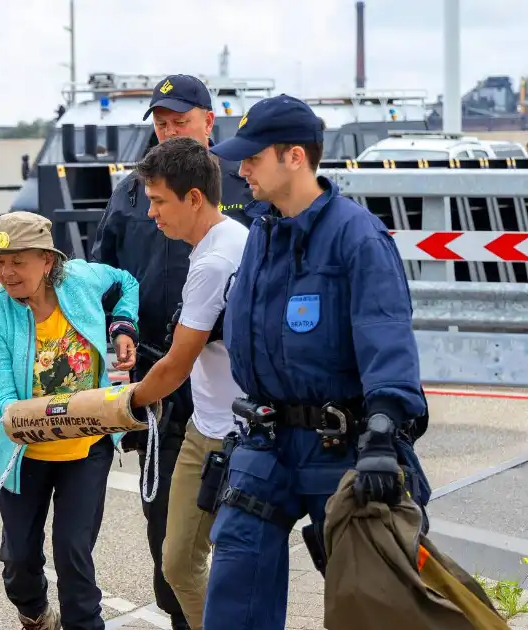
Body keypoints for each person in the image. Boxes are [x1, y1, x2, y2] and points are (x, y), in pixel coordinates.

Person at [202, 94, 431, 630]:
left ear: (295, 157)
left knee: (374, 601)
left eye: (254, 157)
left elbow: (385, 335)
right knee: (234, 576)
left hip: (343, 446)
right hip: (267, 441)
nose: (243, 169)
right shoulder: (261, 233)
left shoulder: (356, 236)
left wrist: (382, 432)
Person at [90, 73, 254, 630]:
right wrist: (118, 327)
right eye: (159, 123)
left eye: (178, 121)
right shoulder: (130, 190)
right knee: (168, 540)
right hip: (160, 387)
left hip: (229, 393)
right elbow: (104, 272)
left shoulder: (245, 183)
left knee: (236, 537)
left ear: (210, 121)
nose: (166, 131)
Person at [0, 211, 140, 630]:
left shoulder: (81, 281)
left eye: (18, 261)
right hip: (23, 453)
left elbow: (127, 281)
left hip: (85, 446)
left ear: (47, 261)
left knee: (73, 552)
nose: (6, 272)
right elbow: (0, 394)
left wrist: (123, 326)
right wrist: (14, 412)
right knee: (19, 561)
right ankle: (33, 612)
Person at [125, 136, 249, 630]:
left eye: (158, 201)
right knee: (179, 563)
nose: (152, 214)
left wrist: (126, 403)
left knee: (217, 565)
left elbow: (176, 364)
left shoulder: (216, 261)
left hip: (235, 438)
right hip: (208, 424)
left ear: (194, 198)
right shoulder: (229, 238)